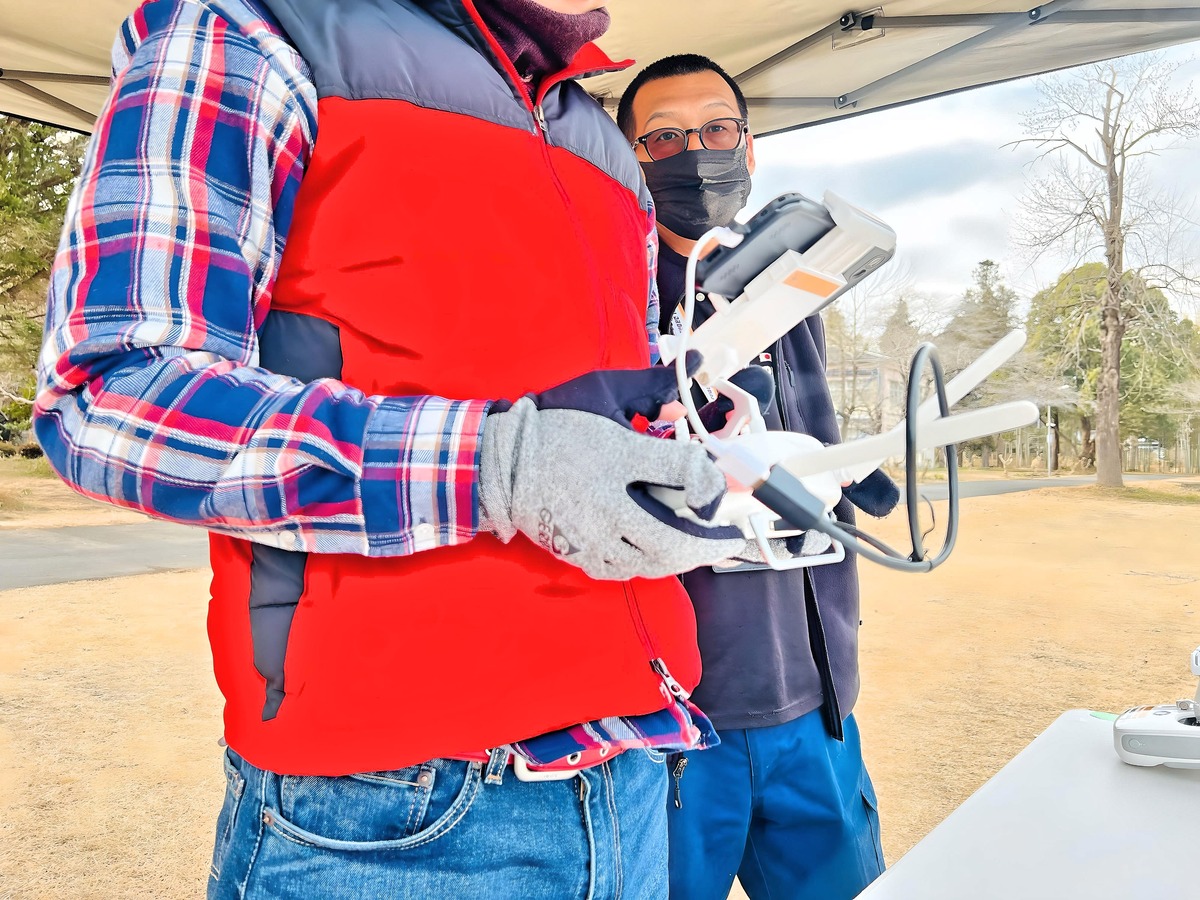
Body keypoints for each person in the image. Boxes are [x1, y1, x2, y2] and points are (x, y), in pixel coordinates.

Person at [35, 4, 756, 898]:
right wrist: (499, 466)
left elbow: (603, 415)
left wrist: (693, 438)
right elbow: (112, 394)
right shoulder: (257, 29)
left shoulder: (602, 141)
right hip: (399, 806)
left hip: (639, 761)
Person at [618, 54, 897, 900]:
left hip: (814, 705)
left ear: (750, 146)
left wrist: (860, 478)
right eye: (661, 138)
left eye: (715, 129)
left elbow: (808, 429)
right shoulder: (610, 299)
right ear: (628, 163)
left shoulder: (792, 284)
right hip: (675, 720)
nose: (693, 153)